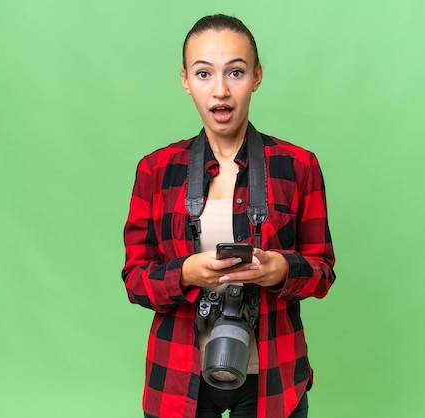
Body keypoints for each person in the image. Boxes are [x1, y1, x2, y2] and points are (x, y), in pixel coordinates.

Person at [122, 14, 336, 418]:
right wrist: (186, 274)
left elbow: (322, 272)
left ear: (256, 76)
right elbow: (134, 279)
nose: (220, 90)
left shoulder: (298, 166)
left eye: (235, 72)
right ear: (185, 80)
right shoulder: (156, 170)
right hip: (178, 377)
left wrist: (279, 269)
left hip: (273, 380)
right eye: (204, 74)